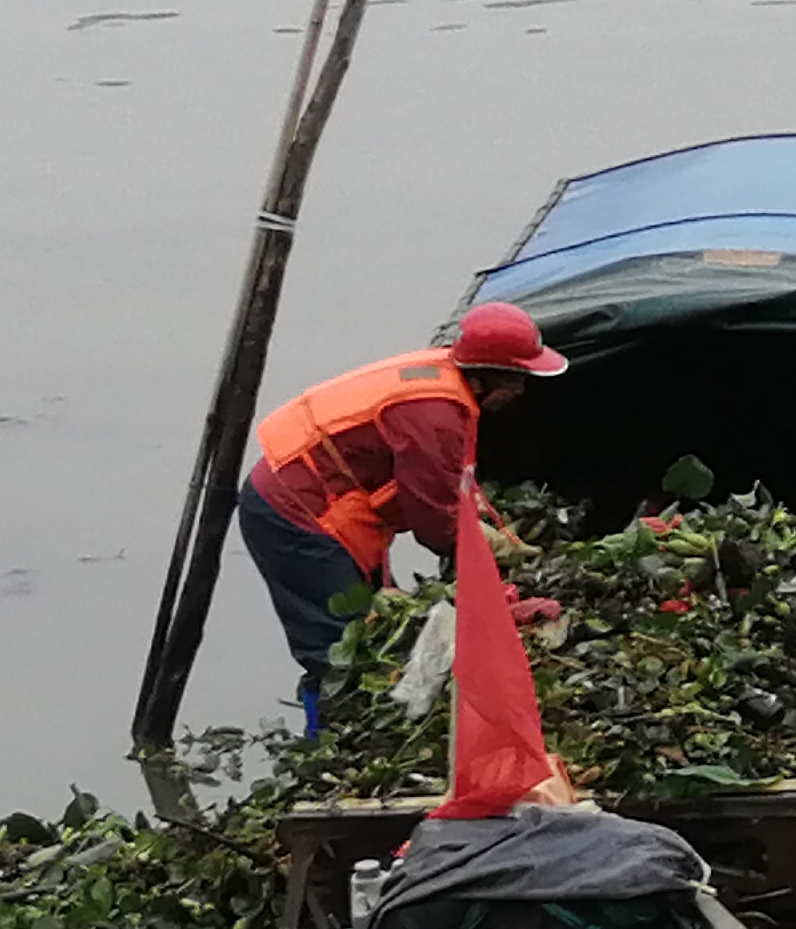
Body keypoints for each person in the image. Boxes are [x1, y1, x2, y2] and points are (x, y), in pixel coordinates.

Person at [237, 299, 567, 723]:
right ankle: (325, 747)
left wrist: (487, 529)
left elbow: (451, 485)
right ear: (487, 375)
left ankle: (356, 721)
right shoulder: (434, 416)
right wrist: (489, 553)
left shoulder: (447, 383)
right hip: (295, 516)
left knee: (372, 622)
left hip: (331, 505)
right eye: (516, 379)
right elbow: (433, 520)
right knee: (337, 646)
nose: (519, 391)